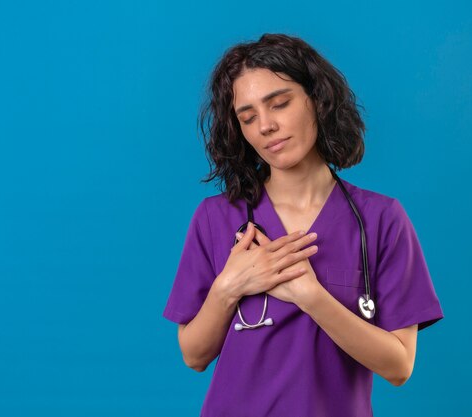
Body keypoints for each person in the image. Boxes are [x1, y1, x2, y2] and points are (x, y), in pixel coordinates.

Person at [163, 33, 444, 417]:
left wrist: (311, 296)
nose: (265, 126)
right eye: (248, 117)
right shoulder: (217, 218)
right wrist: (230, 286)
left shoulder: (380, 220)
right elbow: (194, 355)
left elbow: (399, 366)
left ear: (317, 100)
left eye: (279, 104)